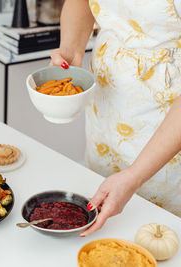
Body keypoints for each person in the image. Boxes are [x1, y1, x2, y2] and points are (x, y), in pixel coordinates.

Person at [50, 0, 181, 236]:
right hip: (108, 99)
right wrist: (71, 50)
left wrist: (134, 176)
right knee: (104, 220)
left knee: (151, 234)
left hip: (166, 121)